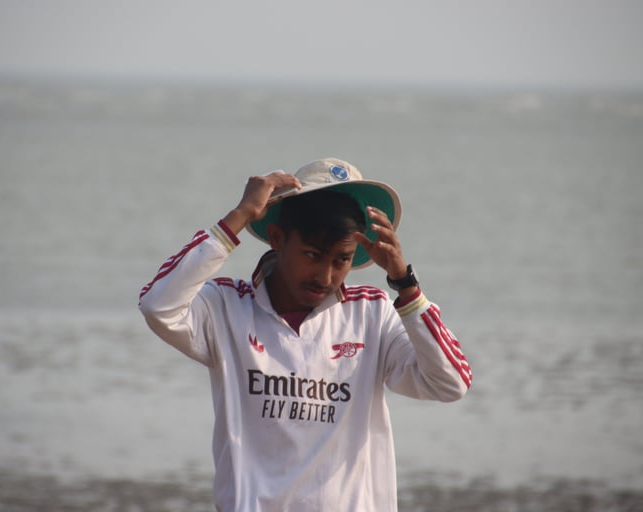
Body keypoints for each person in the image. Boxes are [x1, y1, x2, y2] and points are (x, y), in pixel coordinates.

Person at [138, 157, 472, 511]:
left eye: (341, 260)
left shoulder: (372, 313)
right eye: (312, 254)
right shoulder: (226, 306)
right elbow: (158, 306)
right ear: (277, 238)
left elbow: (450, 383)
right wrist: (239, 216)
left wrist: (406, 286)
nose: (325, 276)